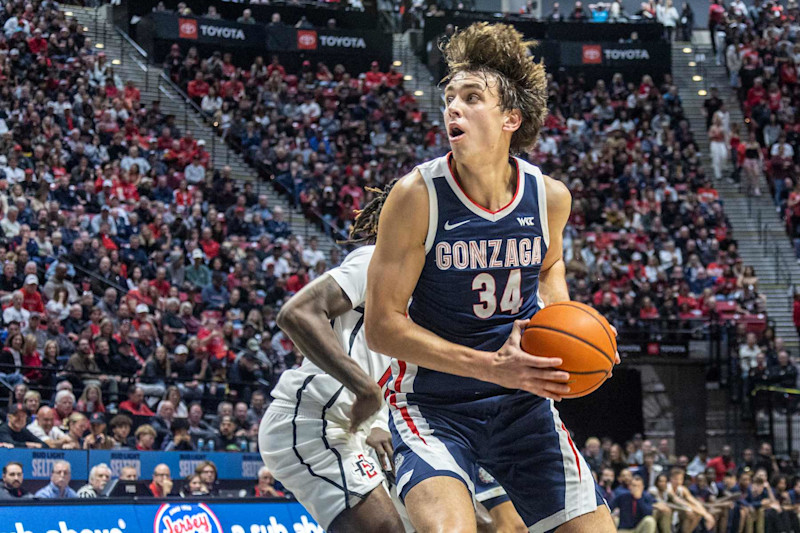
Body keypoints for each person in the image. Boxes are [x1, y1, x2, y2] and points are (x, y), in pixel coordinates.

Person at [364, 22, 615, 533]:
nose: (453, 106)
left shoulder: (549, 197)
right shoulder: (416, 196)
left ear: (510, 119)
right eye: (450, 96)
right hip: (434, 406)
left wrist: (562, 327)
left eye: (472, 97)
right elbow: (381, 327)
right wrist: (490, 367)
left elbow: (549, 269)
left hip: (523, 408)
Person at [259, 181, 525, 532]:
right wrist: (367, 390)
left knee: (478, 524)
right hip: (316, 421)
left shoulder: (433, 289)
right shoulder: (375, 259)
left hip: (374, 432)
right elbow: (298, 313)